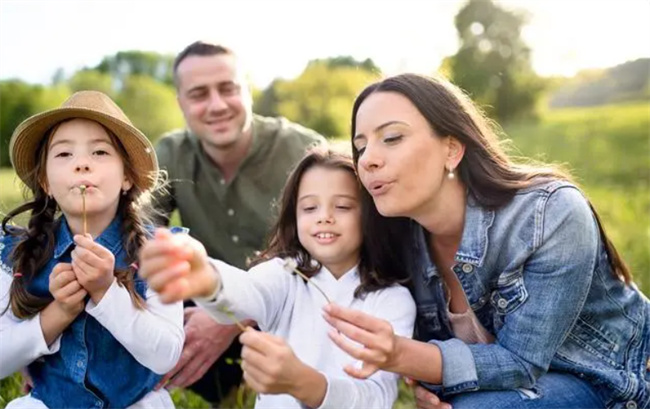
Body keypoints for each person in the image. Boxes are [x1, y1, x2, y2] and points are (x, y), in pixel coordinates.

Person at [322, 73, 650, 409]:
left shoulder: (548, 213)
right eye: (361, 147)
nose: (368, 160)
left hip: (607, 385)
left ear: (451, 150)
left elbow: (522, 362)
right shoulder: (400, 240)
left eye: (391, 138)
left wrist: (407, 356)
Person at [140, 149, 416, 408]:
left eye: (342, 206)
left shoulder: (392, 299)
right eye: (309, 208)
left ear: (371, 215)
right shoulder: (285, 274)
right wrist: (208, 279)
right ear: (293, 216)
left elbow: (377, 397)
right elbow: (246, 294)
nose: (324, 217)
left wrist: (304, 384)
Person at [152, 41, 327, 404]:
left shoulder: (304, 150)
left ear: (247, 89)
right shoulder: (169, 154)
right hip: (210, 300)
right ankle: (226, 391)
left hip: (296, 306)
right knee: (153, 308)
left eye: (227, 88)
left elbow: (335, 254)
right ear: (180, 103)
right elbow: (130, 238)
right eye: (199, 94)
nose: (216, 105)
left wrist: (232, 318)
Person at [0, 91, 185, 409]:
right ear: (45, 181)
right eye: (63, 155)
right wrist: (58, 313)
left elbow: (166, 355)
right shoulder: (18, 254)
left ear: (127, 176)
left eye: (99, 152)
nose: (82, 164)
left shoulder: (159, 251)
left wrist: (105, 292)